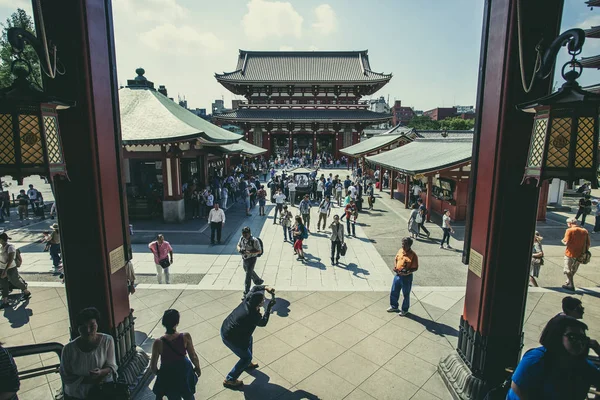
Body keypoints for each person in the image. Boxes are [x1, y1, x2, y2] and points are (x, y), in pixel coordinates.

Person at [507, 315, 600, 400]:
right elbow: (517, 387)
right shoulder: (536, 360)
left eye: (583, 338)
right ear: (558, 336)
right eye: (573, 337)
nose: (579, 342)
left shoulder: (582, 365)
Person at [221, 285, 276, 389]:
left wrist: (265, 287)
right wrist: (268, 308)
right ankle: (230, 379)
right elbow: (263, 322)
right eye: (263, 300)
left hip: (226, 327)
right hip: (230, 337)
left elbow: (255, 288)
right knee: (246, 357)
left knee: (249, 338)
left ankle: (246, 364)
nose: (264, 300)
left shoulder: (248, 299)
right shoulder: (252, 315)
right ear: (259, 304)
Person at [60, 307, 118, 399]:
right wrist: (88, 380)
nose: (88, 331)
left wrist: (100, 372)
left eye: (92, 326)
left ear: (97, 325)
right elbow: (65, 375)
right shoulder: (68, 349)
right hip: (77, 395)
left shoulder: (107, 341)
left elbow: (112, 367)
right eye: (83, 327)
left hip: (101, 392)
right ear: (78, 329)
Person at [151, 309, 201, 400]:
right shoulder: (185, 337)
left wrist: (162, 375)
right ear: (177, 322)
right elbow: (193, 356)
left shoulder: (158, 342)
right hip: (184, 371)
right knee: (188, 395)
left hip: (169, 375)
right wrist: (197, 367)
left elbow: (153, 367)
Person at [387, 237, 418, 316]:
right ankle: (394, 306)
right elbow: (396, 259)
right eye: (402, 244)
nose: (403, 246)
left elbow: (415, 267)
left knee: (406, 294)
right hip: (397, 275)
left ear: (409, 245)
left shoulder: (413, 255)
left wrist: (408, 272)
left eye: (405, 244)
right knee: (394, 291)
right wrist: (395, 267)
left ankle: (404, 309)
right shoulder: (400, 251)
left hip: (406, 278)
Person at [0, 232, 31, 309]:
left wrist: (5, 271)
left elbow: (10, 260)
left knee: (15, 282)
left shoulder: (10, 247)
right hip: (1, 268)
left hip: (10, 268)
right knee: (4, 285)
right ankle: (5, 301)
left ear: (1, 239)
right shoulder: (1, 247)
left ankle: (26, 292)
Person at [562, 218, 590, 291]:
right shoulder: (584, 231)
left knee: (567, 269)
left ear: (570, 223)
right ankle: (568, 281)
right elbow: (588, 244)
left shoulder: (569, 230)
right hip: (580, 254)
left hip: (570, 253)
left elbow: (566, 242)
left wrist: (562, 241)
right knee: (573, 269)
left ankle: (571, 285)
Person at [237, 227, 264, 296]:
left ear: (249, 233)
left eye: (246, 234)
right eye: (243, 234)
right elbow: (238, 245)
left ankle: (246, 291)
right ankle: (258, 280)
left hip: (252, 258)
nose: (244, 236)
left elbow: (259, 251)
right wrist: (240, 250)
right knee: (246, 269)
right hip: (244, 258)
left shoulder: (254, 240)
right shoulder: (242, 238)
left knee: (248, 275)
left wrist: (249, 252)